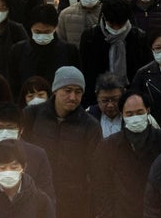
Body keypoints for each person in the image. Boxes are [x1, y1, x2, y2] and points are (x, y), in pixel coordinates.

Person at [22, 66, 99, 218]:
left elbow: (97, 170)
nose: (73, 97)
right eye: (67, 90)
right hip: (35, 196)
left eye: (78, 92)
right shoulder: (32, 115)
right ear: (55, 90)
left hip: (74, 201)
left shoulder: (90, 125)